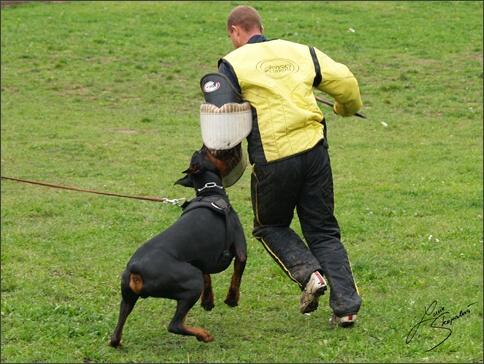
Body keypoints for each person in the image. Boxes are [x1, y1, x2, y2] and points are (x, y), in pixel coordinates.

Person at [217, 5, 362, 327]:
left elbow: (222, 112)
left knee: (270, 226)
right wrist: (343, 108)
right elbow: (346, 83)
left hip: (274, 158)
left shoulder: (232, 62)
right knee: (323, 230)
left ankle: (310, 275)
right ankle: (347, 307)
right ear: (261, 26)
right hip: (314, 151)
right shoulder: (301, 51)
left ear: (235, 32)